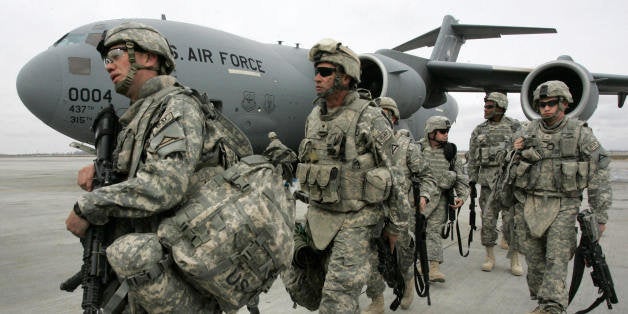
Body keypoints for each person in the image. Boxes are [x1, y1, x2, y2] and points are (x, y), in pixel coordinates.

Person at [66, 22, 248, 313]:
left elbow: (165, 185)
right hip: (146, 273)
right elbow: (142, 170)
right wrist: (102, 174)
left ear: (149, 58)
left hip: (176, 274)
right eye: (106, 59)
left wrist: (89, 205)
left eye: (116, 54)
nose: (108, 65)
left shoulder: (177, 107)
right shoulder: (141, 115)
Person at [295, 38, 410, 313]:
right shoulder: (314, 116)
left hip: (356, 220)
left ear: (345, 77)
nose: (317, 78)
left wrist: (395, 226)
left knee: (336, 302)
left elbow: (397, 173)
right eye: (316, 72)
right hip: (319, 217)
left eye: (325, 72)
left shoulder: (370, 117)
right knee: (303, 286)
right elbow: (313, 160)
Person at [510, 80, 611, 314]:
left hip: (564, 205)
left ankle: (553, 307)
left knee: (556, 259)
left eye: (551, 104)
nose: (545, 108)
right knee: (534, 262)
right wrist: (514, 149)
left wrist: (600, 214)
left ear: (564, 104)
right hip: (531, 203)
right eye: (541, 104)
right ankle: (544, 303)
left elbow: (600, 169)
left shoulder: (579, 132)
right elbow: (508, 165)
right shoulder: (527, 131)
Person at [363, 97, 436, 313]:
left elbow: (426, 176)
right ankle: (377, 300)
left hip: (400, 213)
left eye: (383, 112)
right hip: (372, 213)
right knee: (370, 258)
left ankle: (408, 285)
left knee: (404, 255)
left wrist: (423, 196)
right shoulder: (366, 146)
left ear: (394, 118)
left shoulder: (405, 147)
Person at [467, 92, 523, 275]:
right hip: (487, 185)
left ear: (500, 107)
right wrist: (471, 181)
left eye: (490, 107)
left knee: (511, 222)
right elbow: (473, 158)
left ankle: (514, 260)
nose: (486, 109)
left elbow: (523, 154)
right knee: (488, 222)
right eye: (485, 106)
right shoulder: (479, 130)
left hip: (508, 184)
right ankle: (490, 257)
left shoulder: (515, 127)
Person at [416, 116, 469, 283]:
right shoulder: (417, 149)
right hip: (419, 200)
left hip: (440, 200)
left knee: (434, 231)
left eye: (447, 131)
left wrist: (462, 196)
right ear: (431, 132)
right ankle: (417, 264)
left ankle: (433, 268)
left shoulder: (450, 152)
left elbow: (460, 176)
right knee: (416, 232)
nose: (446, 135)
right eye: (442, 131)